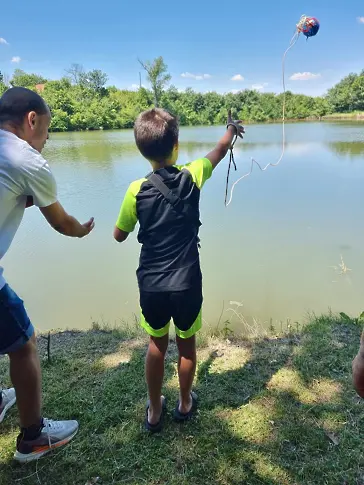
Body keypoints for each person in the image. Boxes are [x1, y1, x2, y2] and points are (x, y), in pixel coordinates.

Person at [113, 108, 244, 432]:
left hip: (153, 283)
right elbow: (219, 149)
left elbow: (119, 235)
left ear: (141, 149)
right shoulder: (193, 174)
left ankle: (155, 411)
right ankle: (185, 403)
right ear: (177, 144)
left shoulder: (135, 190)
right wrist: (230, 128)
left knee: (156, 344)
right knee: (186, 345)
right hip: (187, 281)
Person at [0, 87, 95, 462]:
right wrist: (81, 229)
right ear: (31, 120)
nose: (46, 140)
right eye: (47, 130)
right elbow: (61, 223)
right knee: (23, 342)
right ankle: (34, 437)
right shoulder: (27, 159)